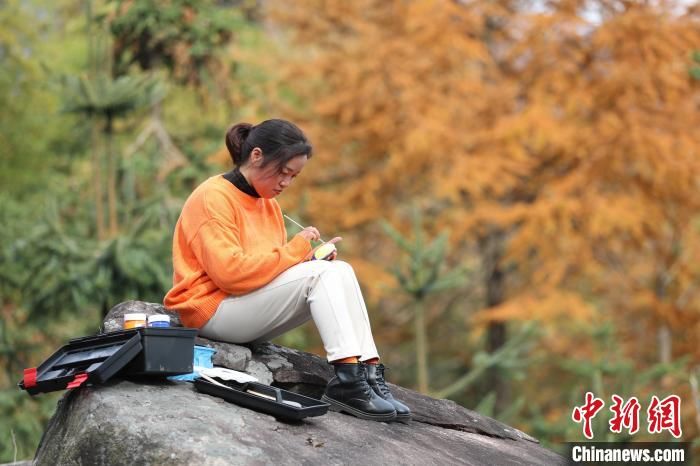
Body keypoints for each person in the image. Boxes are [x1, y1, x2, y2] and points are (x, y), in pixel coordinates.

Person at [164, 118, 411, 422]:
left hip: (244, 306)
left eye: (294, 176)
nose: (286, 183)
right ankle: (347, 380)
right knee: (323, 275)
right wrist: (296, 252)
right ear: (256, 156)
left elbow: (269, 268)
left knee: (340, 270)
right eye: (283, 172)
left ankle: (367, 374)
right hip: (211, 310)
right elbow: (231, 274)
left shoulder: (267, 204)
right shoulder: (213, 197)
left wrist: (307, 261)